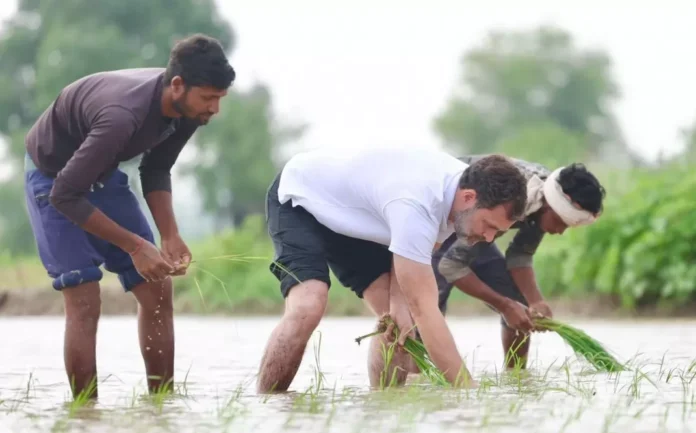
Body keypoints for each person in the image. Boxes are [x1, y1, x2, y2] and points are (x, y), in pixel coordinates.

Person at [23, 33, 235, 399]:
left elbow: (155, 169)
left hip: (101, 173)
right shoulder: (122, 115)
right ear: (178, 86)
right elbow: (65, 194)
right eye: (209, 98)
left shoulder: (188, 112)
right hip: (53, 177)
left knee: (157, 286)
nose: (214, 109)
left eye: (219, 99)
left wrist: (169, 234)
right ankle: (85, 414)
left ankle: (161, 405)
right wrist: (136, 246)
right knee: (84, 296)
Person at [255, 147, 529, 392]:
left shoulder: (460, 197)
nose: (490, 238)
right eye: (489, 226)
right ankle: (268, 403)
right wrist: (467, 390)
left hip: (363, 219)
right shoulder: (418, 202)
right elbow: (426, 309)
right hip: (302, 199)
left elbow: (413, 260)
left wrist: (399, 304)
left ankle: (386, 409)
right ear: (469, 198)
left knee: (399, 322)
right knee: (309, 304)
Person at [425, 155, 606, 371]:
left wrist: (535, 301)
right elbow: (451, 266)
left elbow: (519, 255)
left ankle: (516, 376)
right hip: (445, 220)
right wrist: (504, 305)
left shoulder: (545, 199)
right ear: (551, 207)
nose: (559, 232)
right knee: (427, 307)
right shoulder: (519, 198)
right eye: (559, 223)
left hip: (482, 230)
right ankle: (416, 379)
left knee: (519, 304)